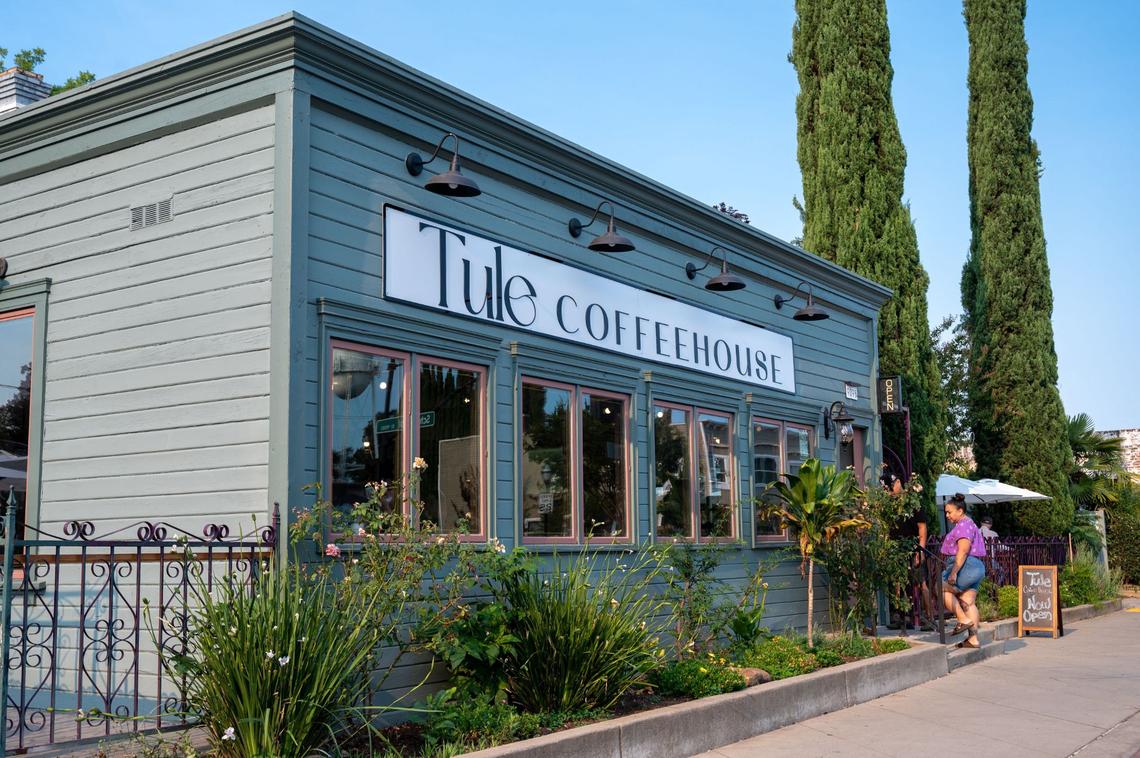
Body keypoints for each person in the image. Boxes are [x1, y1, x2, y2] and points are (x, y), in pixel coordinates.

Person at [941, 493, 987, 649]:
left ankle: (963, 619)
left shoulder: (963, 525)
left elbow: (963, 550)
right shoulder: (971, 524)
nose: (947, 515)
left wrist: (953, 572)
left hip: (965, 565)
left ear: (960, 511)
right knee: (968, 602)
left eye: (949, 512)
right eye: (946, 512)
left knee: (940, 588)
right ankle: (973, 639)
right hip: (976, 566)